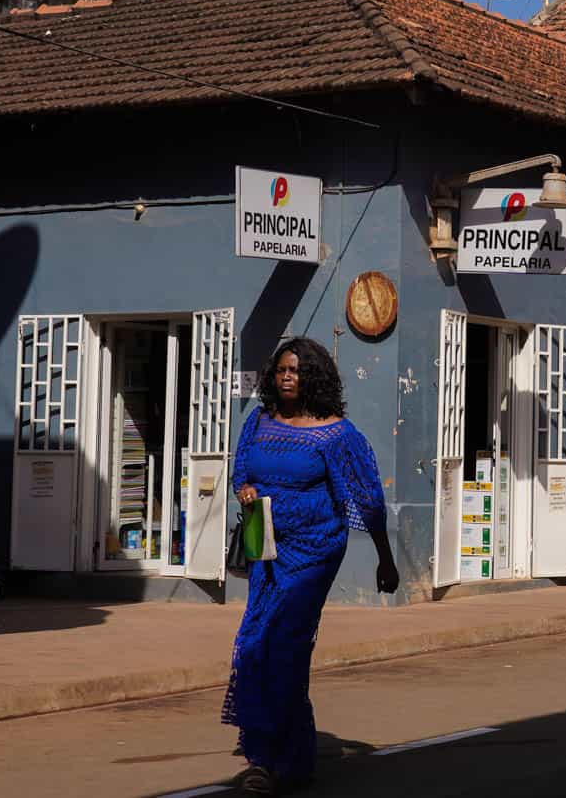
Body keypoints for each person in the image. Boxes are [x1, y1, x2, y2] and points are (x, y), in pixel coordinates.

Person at [222, 337, 399, 795]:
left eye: (296, 370)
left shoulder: (336, 433)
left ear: (313, 377)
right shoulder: (258, 421)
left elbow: (368, 499)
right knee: (254, 645)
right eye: (282, 369)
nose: (287, 377)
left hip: (315, 552)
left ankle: (276, 760)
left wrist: (385, 558)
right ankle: (277, 756)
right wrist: (244, 491)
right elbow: (241, 473)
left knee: (283, 646)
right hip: (266, 547)